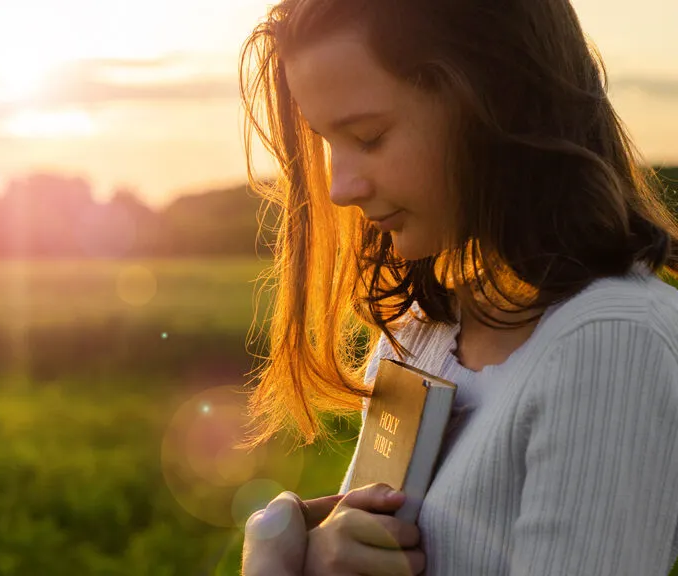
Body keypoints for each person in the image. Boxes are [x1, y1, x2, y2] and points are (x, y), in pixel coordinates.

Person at [235, 0, 678, 574]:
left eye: (368, 136)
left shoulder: (611, 344)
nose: (339, 187)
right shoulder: (422, 332)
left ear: (497, 100)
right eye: (326, 141)